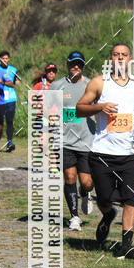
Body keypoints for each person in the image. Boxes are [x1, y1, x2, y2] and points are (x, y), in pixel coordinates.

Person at [76, 43, 134, 259]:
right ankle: (108, 214)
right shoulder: (98, 83)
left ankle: (126, 245)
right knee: (104, 197)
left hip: (132, 153)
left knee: (130, 197)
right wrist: (99, 107)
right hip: (102, 152)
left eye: (124, 55)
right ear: (110, 59)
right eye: (116, 55)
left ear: (129, 59)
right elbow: (79, 108)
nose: (120, 58)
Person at [49, 51, 95, 231]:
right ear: (67, 65)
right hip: (64, 141)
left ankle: (86, 194)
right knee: (69, 177)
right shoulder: (57, 86)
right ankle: (74, 216)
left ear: (83, 67)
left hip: (86, 141)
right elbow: (46, 108)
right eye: (73, 64)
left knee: (86, 182)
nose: (76, 67)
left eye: (80, 64)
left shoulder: (90, 85)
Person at [0, 50, 20, 153]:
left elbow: (15, 81)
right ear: (0, 59)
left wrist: (16, 82)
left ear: (9, 59)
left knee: (9, 121)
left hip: (11, 98)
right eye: (2, 58)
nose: (4, 60)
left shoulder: (13, 69)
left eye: (6, 58)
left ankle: (9, 143)